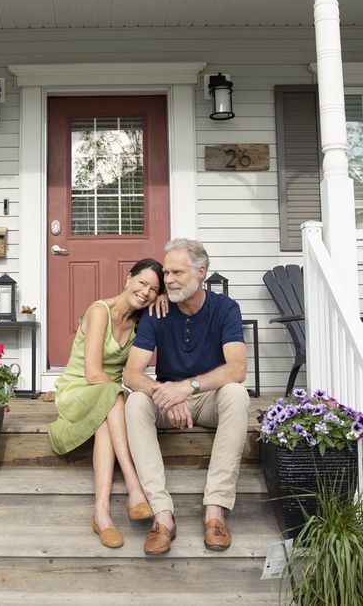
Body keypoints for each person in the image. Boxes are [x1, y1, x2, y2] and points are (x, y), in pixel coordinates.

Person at [123, 238, 250, 555]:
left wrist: (188, 387)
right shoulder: (157, 311)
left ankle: (215, 512)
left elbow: (237, 368)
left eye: (177, 272)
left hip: (207, 398)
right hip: (168, 401)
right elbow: (132, 373)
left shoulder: (225, 309)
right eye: (166, 273)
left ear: (201, 272)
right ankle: (163, 516)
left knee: (236, 394)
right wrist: (167, 393)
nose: (169, 280)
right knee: (136, 400)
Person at [47, 259, 166, 549]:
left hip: (106, 398)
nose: (146, 292)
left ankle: (102, 513)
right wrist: (119, 393)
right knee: (114, 398)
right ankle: (134, 487)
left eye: (153, 289)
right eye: (142, 283)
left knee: (107, 416)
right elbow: (92, 373)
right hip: (79, 390)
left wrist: (165, 298)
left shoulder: (143, 320)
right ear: (128, 279)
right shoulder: (100, 311)